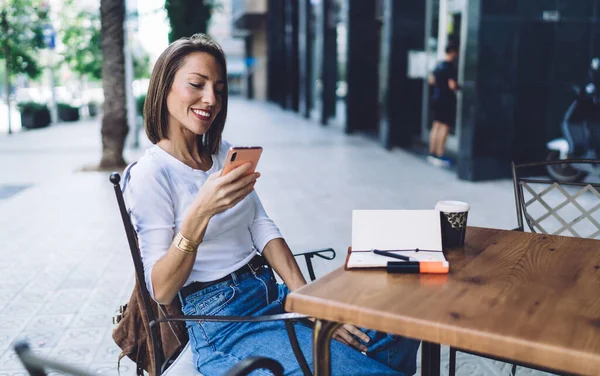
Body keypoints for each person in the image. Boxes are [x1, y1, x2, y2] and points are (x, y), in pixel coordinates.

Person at [123, 34, 420, 375]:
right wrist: (200, 214)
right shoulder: (151, 174)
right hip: (223, 323)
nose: (211, 99)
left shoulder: (222, 153)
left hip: (270, 294)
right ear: (164, 88)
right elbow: (161, 289)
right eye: (196, 84)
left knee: (398, 325)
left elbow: (261, 225)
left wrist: (307, 299)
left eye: (219, 89)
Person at [428, 44, 459, 167]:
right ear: (453, 53)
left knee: (436, 125)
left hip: (437, 98)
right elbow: (452, 85)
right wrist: (459, 87)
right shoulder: (450, 67)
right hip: (446, 100)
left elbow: (431, 80)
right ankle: (440, 154)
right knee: (445, 127)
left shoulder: (438, 65)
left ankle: (432, 152)